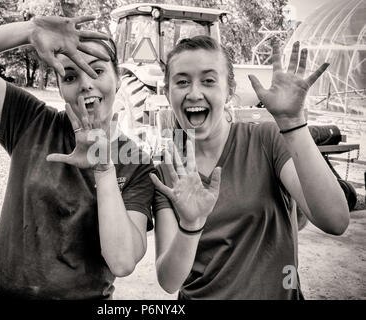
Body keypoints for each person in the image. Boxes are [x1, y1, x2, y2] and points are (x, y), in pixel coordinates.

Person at [0, 15, 155, 299]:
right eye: (70, 75)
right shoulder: (31, 121)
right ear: (59, 87)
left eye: (98, 71)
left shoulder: (136, 162)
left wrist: (104, 169)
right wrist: (31, 30)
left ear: (118, 80)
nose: (85, 84)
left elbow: (122, 261)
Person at [149, 35, 350, 299]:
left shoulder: (266, 140)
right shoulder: (168, 171)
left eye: (209, 80)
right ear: (167, 92)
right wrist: (190, 224)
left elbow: (335, 221)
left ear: (230, 90)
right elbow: (169, 281)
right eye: (182, 81)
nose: (194, 93)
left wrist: (293, 123)